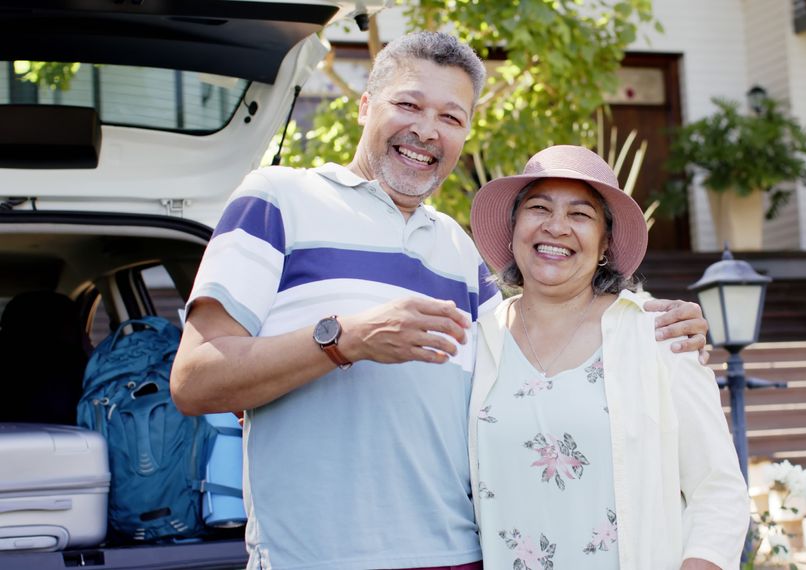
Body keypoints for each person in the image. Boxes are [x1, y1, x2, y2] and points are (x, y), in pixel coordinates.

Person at [170, 32, 711, 570]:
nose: (427, 131)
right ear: (364, 106)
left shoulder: (460, 251)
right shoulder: (276, 198)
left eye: (451, 118)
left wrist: (649, 323)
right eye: (408, 104)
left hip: (461, 555)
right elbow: (194, 380)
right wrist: (345, 340)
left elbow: (540, 355)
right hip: (312, 558)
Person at [467, 145, 749, 570]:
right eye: (539, 208)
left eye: (580, 215)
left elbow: (719, 489)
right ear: (512, 230)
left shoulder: (659, 334)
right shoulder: (478, 341)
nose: (556, 226)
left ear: (604, 245)